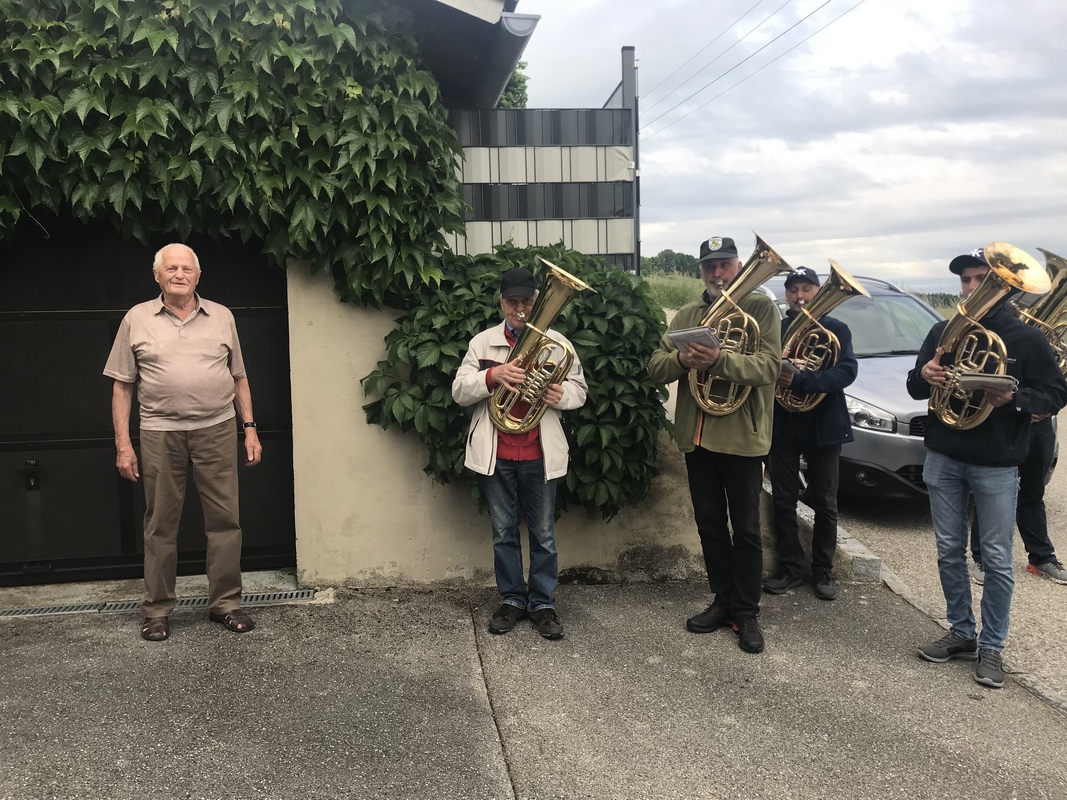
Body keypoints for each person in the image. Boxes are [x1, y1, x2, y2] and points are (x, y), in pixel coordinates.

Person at [907, 247, 1067, 688]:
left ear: (1008, 291)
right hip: (943, 455)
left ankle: (992, 647)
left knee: (996, 559)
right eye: (967, 281)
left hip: (996, 462)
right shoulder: (944, 330)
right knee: (947, 550)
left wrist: (1014, 399)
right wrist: (928, 374)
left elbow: (1055, 394)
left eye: (983, 280)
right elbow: (914, 385)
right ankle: (961, 631)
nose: (973, 289)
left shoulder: (1027, 341)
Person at [104, 243, 263, 642]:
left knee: (225, 520)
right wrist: (124, 444)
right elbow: (122, 387)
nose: (179, 274)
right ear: (156, 275)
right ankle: (157, 609)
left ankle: (226, 603)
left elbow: (239, 376)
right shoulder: (136, 319)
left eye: (186, 268)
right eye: (170, 268)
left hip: (217, 428)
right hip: (160, 432)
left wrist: (250, 427)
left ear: (198, 275)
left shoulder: (222, 316)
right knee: (160, 523)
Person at [647, 236, 781, 654]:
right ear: (700, 272)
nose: (717, 274)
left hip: (742, 439)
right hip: (699, 437)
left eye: (724, 265)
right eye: (709, 267)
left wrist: (719, 361)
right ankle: (723, 600)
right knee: (708, 524)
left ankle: (747, 610)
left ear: (739, 266)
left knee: (745, 529)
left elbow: (770, 367)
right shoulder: (687, 314)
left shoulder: (761, 309)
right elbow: (655, 367)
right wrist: (683, 361)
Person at [451, 266, 588, 640]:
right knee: (503, 533)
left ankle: (542, 603)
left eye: (527, 301)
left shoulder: (557, 344)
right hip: (496, 454)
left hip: (538, 454)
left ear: (536, 301)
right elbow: (459, 390)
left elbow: (579, 389)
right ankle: (512, 599)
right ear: (502, 303)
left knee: (543, 534)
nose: (521, 308)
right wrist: (492, 377)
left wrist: (563, 396)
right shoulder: (483, 343)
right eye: (513, 302)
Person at [764, 266, 858, 601]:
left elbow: (846, 372)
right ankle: (790, 567)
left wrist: (801, 380)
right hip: (784, 423)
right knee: (784, 499)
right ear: (786, 295)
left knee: (825, 502)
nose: (800, 296)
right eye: (794, 290)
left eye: (807, 289)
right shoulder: (777, 329)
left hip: (824, 426)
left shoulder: (836, 329)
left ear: (818, 292)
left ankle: (822, 569)